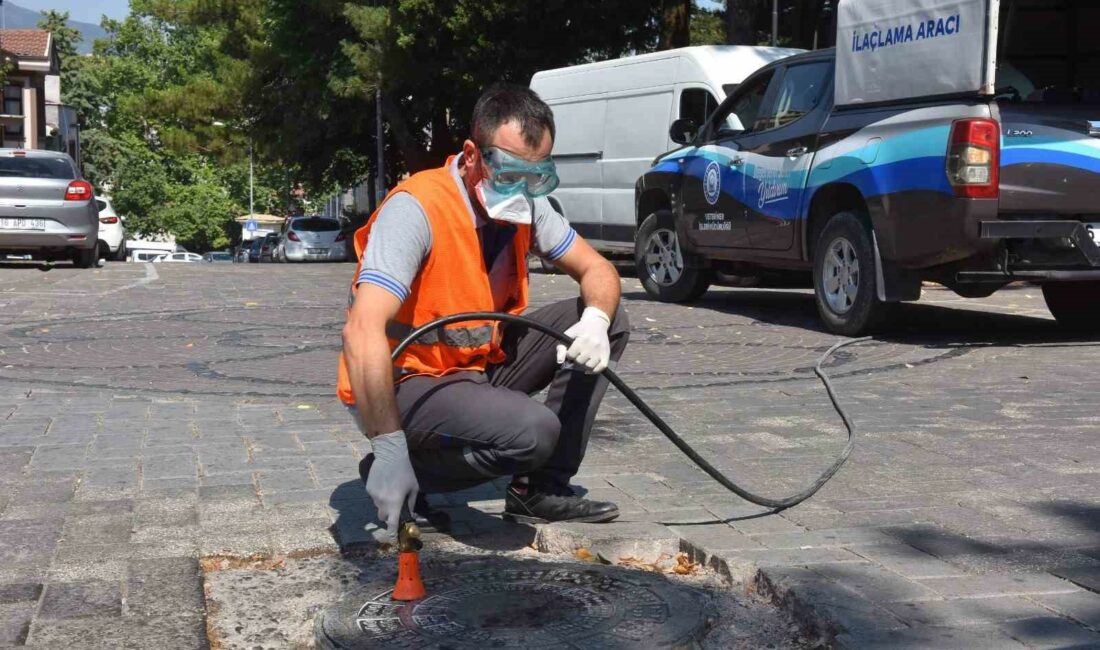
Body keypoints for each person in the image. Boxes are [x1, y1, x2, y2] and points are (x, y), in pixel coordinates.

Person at [338, 84, 630, 539]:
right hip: (408, 379)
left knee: (610, 317)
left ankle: (538, 489)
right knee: (533, 431)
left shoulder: (528, 205)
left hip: (474, 367)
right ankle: (402, 467)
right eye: (509, 174)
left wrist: (594, 320)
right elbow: (362, 332)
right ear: (472, 155)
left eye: (536, 177)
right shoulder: (418, 209)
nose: (522, 190)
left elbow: (598, 269)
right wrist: (390, 446)